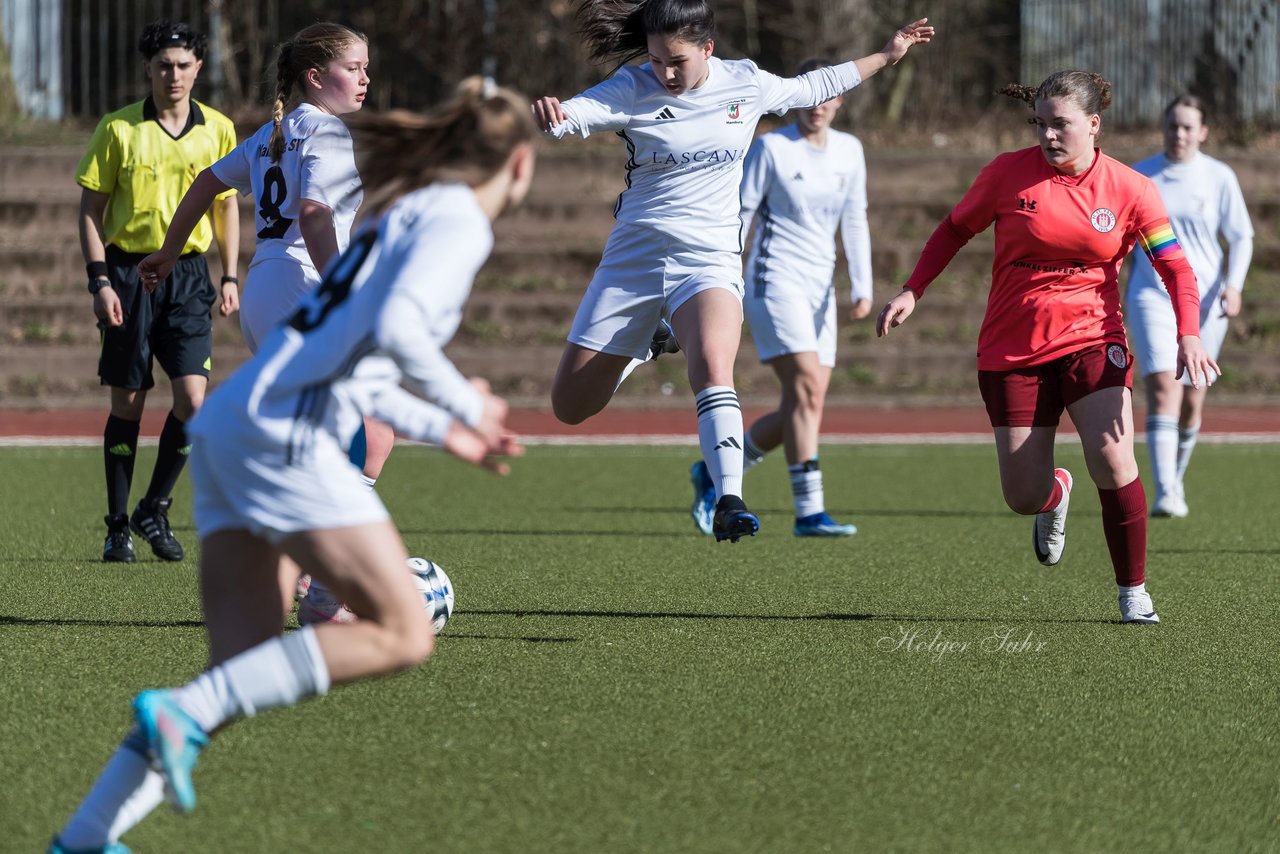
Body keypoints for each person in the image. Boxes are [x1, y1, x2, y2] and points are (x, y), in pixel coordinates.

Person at [49, 76, 534, 853]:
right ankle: (168, 729)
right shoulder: (456, 223)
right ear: (518, 166)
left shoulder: (396, 217)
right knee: (404, 633)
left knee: (231, 679)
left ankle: (84, 837)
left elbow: (357, 362)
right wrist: (466, 406)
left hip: (235, 428)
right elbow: (405, 331)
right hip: (290, 444)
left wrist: (442, 428)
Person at [534, 0, 931, 543]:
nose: (665, 73)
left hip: (710, 259)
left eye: (677, 61)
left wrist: (887, 55)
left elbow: (811, 87)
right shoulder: (632, 85)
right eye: (655, 60)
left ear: (708, 49)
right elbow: (577, 114)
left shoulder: (746, 84)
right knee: (570, 407)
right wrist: (556, 117)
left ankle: (728, 498)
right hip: (634, 260)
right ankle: (649, 341)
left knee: (713, 368)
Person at [876, 70, 1220, 625]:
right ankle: (1056, 492)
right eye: (1040, 124)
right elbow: (953, 230)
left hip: (1093, 338)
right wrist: (914, 287)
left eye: (1060, 124)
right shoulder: (1007, 175)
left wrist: (1188, 333)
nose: (1048, 135)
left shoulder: (1131, 189)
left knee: (1114, 458)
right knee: (1021, 495)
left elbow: (1175, 266)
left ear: (1093, 124)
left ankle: (1133, 592)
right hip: (1013, 346)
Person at [137, 21, 394, 620]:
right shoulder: (326, 131)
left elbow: (205, 183)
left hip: (265, 290)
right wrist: (342, 289)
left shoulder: (276, 131)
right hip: (303, 288)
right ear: (315, 76)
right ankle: (322, 586)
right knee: (367, 437)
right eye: (353, 67)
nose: (364, 78)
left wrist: (173, 250)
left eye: (365, 67)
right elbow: (312, 214)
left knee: (342, 436)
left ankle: (297, 565)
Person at [77, 19, 239, 564]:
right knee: (128, 402)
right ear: (148, 68)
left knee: (194, 401)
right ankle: (118, 524)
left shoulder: (218, 128)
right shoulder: (119, 129)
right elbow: (90, 211)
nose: (174, 74)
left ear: (198, 68)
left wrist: (230, 274)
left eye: (184, 65)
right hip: (127, 273)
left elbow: (226, 205)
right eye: (164, 65)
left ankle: (155, 506)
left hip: (189, 276)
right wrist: (100, 281)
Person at [689, 57, 872, 538]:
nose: (818, 106)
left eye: (826, 97)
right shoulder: (771, 148)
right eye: (808, 97)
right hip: (773, 281)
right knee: (807, 387)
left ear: (839, 100)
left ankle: (713, 471)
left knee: (803, 401)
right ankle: (809, 512)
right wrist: (726, 274)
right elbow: (741, 213)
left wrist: (863, 285)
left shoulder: (850, 151)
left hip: (819, 290)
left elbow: (854, 218)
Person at [1125, 95, 1254, 518]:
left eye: (1187, 127)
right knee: (1164, 386)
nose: (1178, 134)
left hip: (1207, 301)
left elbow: (1241, 237)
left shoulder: (1218, 176)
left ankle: (1176, 477)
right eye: (1172, 126)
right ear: (1163, 129)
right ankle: (1166, 492)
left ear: (1202, 132)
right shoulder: (1141, 175)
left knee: (1193, 398)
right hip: (1152, 294)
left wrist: (1233, 286)